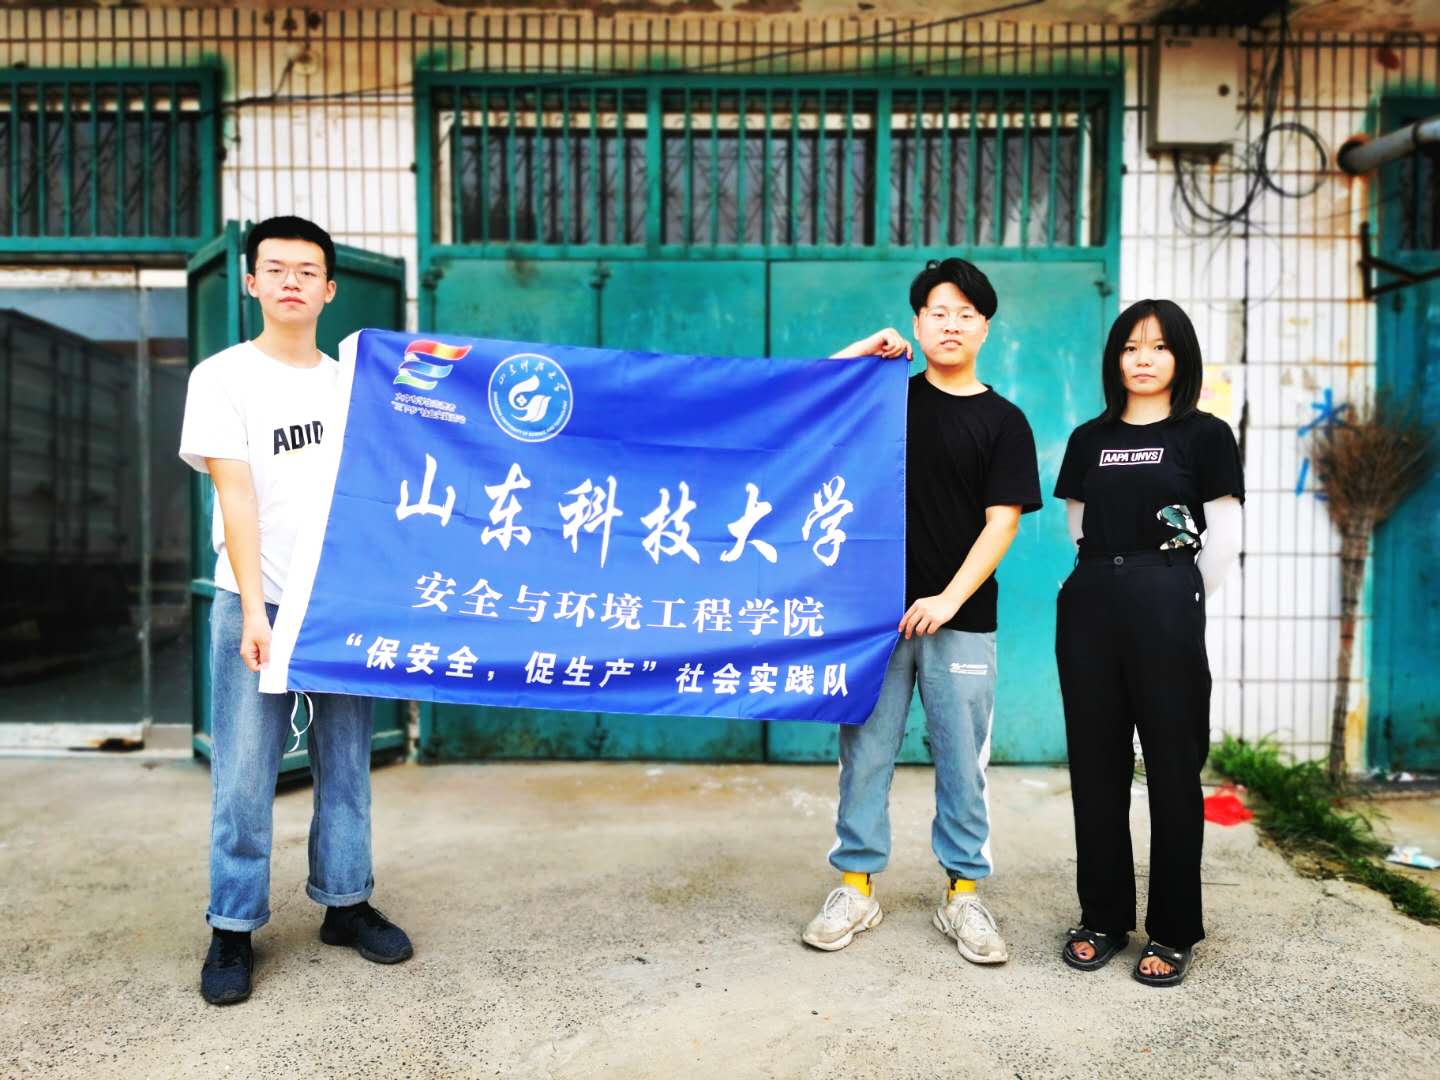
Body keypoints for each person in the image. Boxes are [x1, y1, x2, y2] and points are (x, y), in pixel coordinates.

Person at [179, 216, 412, 1005]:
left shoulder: (354, 386)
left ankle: (346, 904)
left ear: (329, 290)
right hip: (260, 601)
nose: (290, 281)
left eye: (306, 271)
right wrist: (254, 611)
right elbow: (236, 496)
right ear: (250, 281)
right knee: (244, 776)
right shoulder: (222, 378)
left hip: (341, 605)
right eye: (275, 268)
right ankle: (232, 925)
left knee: (346, 766)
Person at [802, 258, 1042, 964]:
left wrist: (946, 599)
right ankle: (855, 887)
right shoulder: (887, 400)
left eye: (966, 314)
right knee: (865, 753)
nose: (951, 324)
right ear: (917, 322)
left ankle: (964, 895)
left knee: (963, 761)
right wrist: (861, 353)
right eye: (939, 312)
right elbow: (806, 401)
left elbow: (1002, 522)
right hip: (873, 619)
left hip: (960, 617)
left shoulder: (1004, 421)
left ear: (985, 328)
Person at [1053, 298, 1243, 986]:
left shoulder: (1206, 435)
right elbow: (1077, 527)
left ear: (1180, 357)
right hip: (1091, 602)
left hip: (1167, 601)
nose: (1143, 358)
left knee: (1172, 768)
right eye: (1131, 346)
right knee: (1096, 767)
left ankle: (1173, 927)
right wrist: (1112, 581)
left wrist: (1176, 595)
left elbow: (1223, 537)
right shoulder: (1089, 438)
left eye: (1159, 346)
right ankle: (1102, 917)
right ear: (1115, 359)